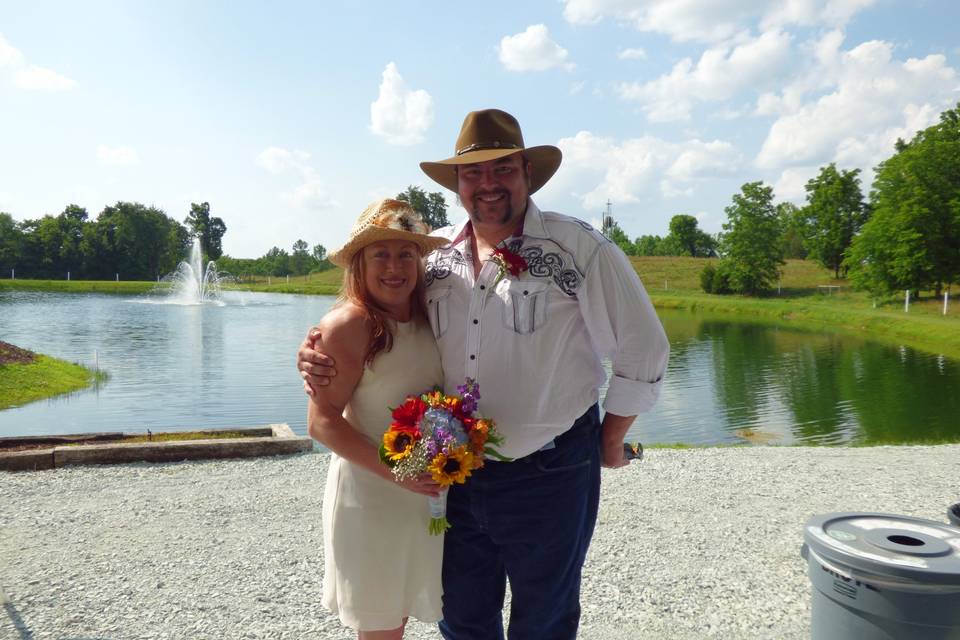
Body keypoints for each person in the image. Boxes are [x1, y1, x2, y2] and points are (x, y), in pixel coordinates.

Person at [299, 109, 670, 639]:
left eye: (503, 169)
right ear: (457, 184)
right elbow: (380, 309)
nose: (488, 183)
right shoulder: (436, 258)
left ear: (526, 173)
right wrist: (317, 348)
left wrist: (611, 439)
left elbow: (645, 348)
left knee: (544, 618)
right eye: (473, 173)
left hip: (551, 471)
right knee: (465, 619)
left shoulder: (579, 247)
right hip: (456, 475)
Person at [306, 198, 449, 639]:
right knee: (379, 628)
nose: (395, 266)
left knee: (400, 616)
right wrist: (399, 475)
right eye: (380, 254)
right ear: (358, 264)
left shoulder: (431, 317)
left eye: (406, 253)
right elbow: (322, 421)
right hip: (371, 497)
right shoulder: (347, 325)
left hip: (421, 499)